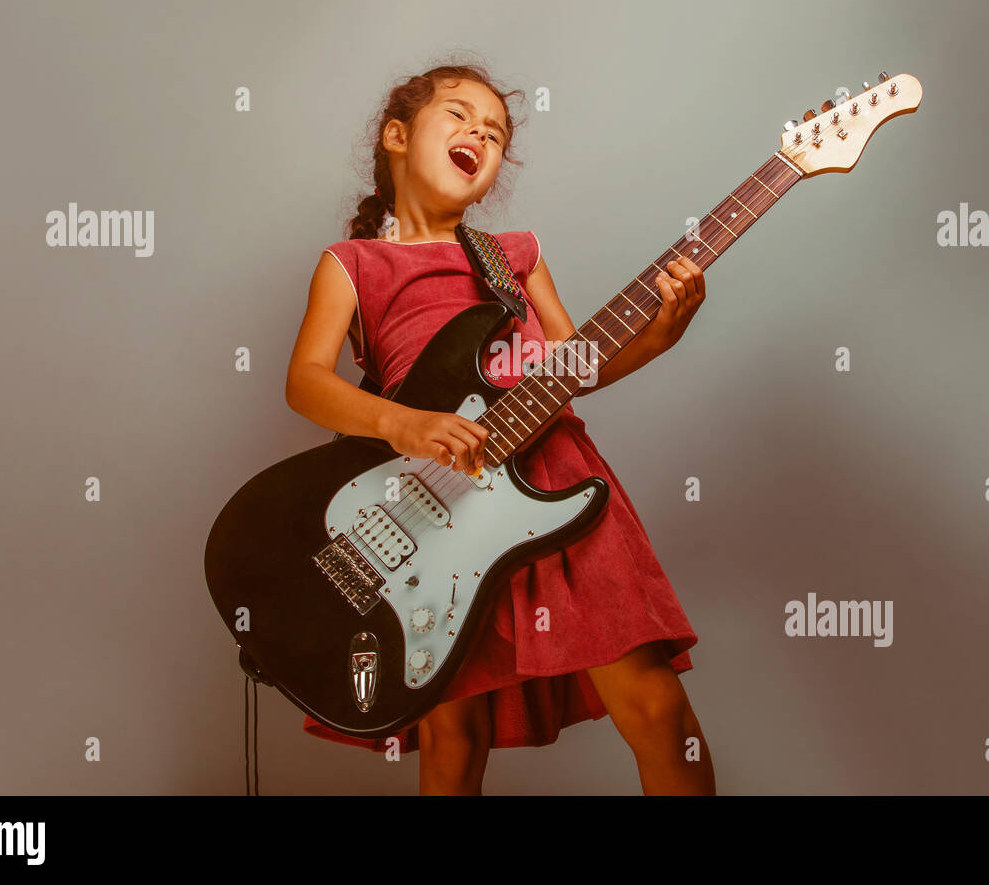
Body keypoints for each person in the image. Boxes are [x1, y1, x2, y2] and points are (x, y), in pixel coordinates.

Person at [285, 61, 714, 794]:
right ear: (397, 135)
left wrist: (656, 338)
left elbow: (571, 366)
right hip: (435, 512)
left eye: (494, 132)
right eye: (458, 115)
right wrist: (405, 425)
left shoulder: (515, 255)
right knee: (454, 732)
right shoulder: (353, 263)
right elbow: (306, 383)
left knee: (652, 704)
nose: (478, 134)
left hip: (555, 481)